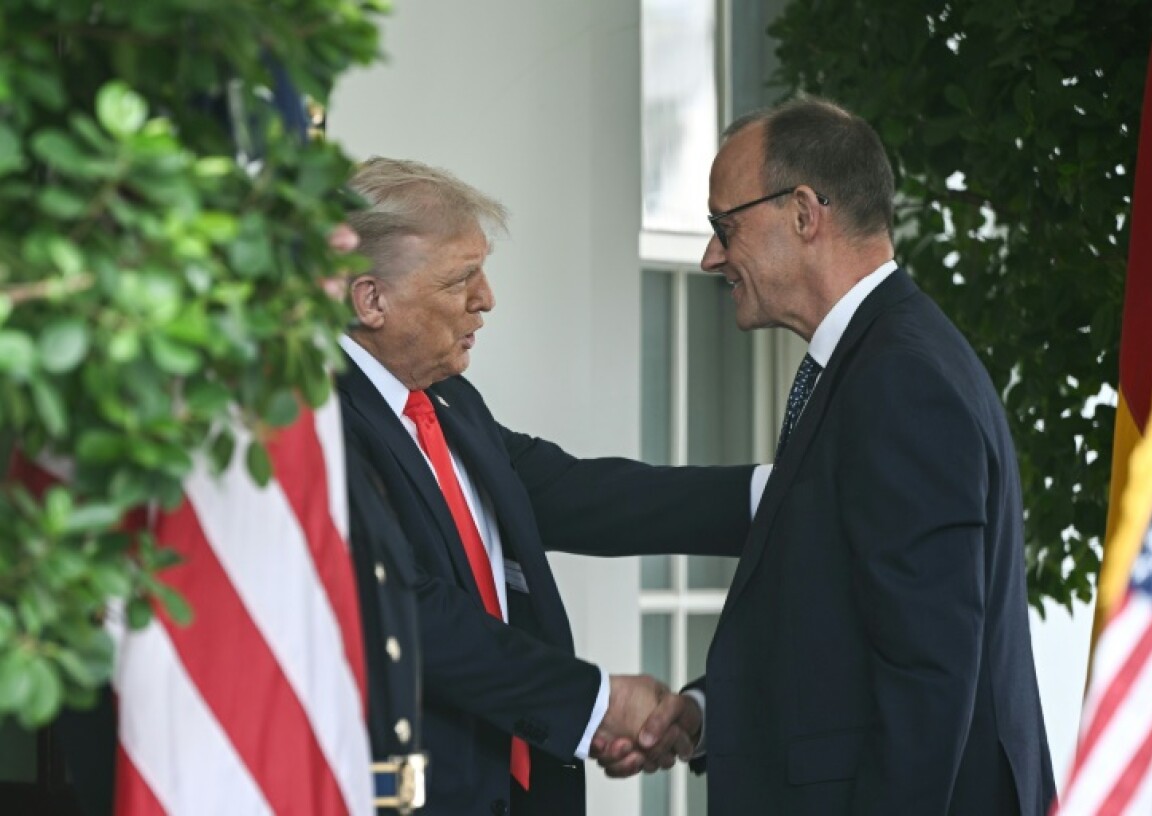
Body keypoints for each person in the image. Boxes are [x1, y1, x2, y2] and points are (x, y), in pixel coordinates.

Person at [605, 97, 1057, 814]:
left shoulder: (899, 378)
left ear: (803, 214)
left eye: (725, 226)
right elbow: (839, 632)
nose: (711, 257)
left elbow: (926, 679)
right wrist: (709, 711)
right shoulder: (882, 357)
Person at [337, 157, 760, 815]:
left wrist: (776, 496)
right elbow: (411, 612)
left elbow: (577, 493)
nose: (486, 298)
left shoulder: (449, 402)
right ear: (371, 300)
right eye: (461, 278)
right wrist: (594, 705)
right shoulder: (320, 427)